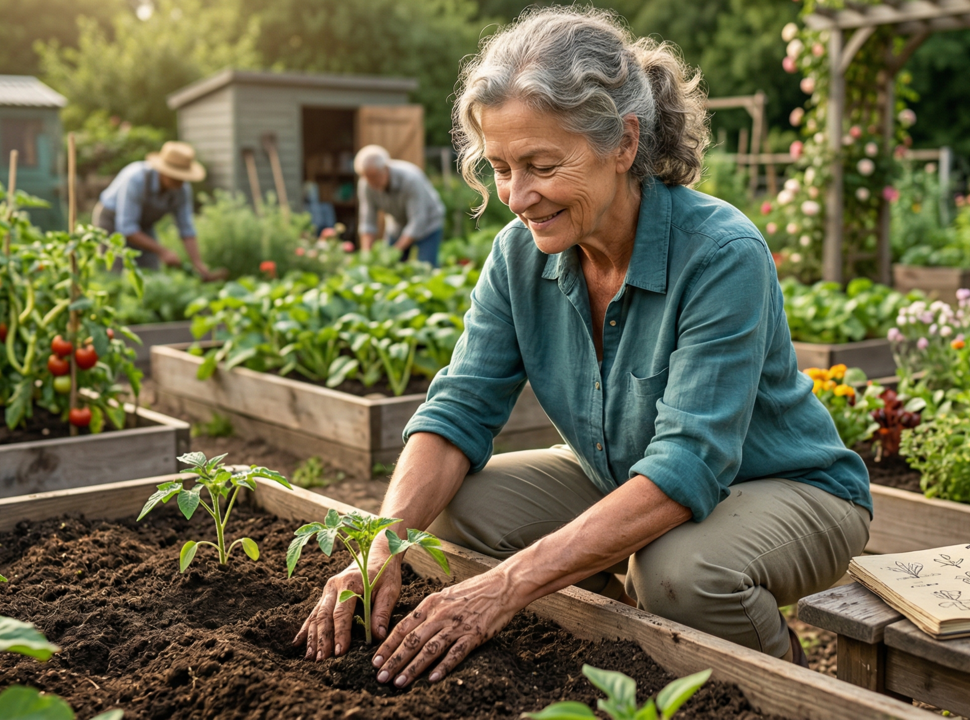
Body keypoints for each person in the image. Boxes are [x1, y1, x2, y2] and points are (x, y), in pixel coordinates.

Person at [296, 7, 871, 685]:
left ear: (624, 143)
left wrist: (506, 588)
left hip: (784, 486)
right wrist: (381, 545)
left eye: (541, 164)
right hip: (621, 474)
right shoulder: (518, 257)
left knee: (681, 574)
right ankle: (621, 652)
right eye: (501, 167)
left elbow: (690, 463)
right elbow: (458, 410)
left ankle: (787, 688)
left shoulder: (720, 252)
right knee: (448, 509)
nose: (517, 195)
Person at [93, 141, 225, 280]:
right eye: (175, 176)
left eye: (183, 176)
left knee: (151, 272)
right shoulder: (136, 179)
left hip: (144, 226)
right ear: (163, 170)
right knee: (114, 272)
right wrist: (163, 251)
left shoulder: (182, 189)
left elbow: (186, 228)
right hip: (112, 221)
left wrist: (198, 263)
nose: (180, 181)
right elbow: (127, 227)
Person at [355, 145, 446, 267]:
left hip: (428, 223)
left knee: (425, 267)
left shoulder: (410, 179)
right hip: (397, 225)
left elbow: (418, 221)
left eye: (375, 177)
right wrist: (366, 254)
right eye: (368, 178)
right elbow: (368, 221)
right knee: (390, 268)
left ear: (385, 168)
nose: (372, 183)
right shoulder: (366, 184)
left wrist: (395, 251)